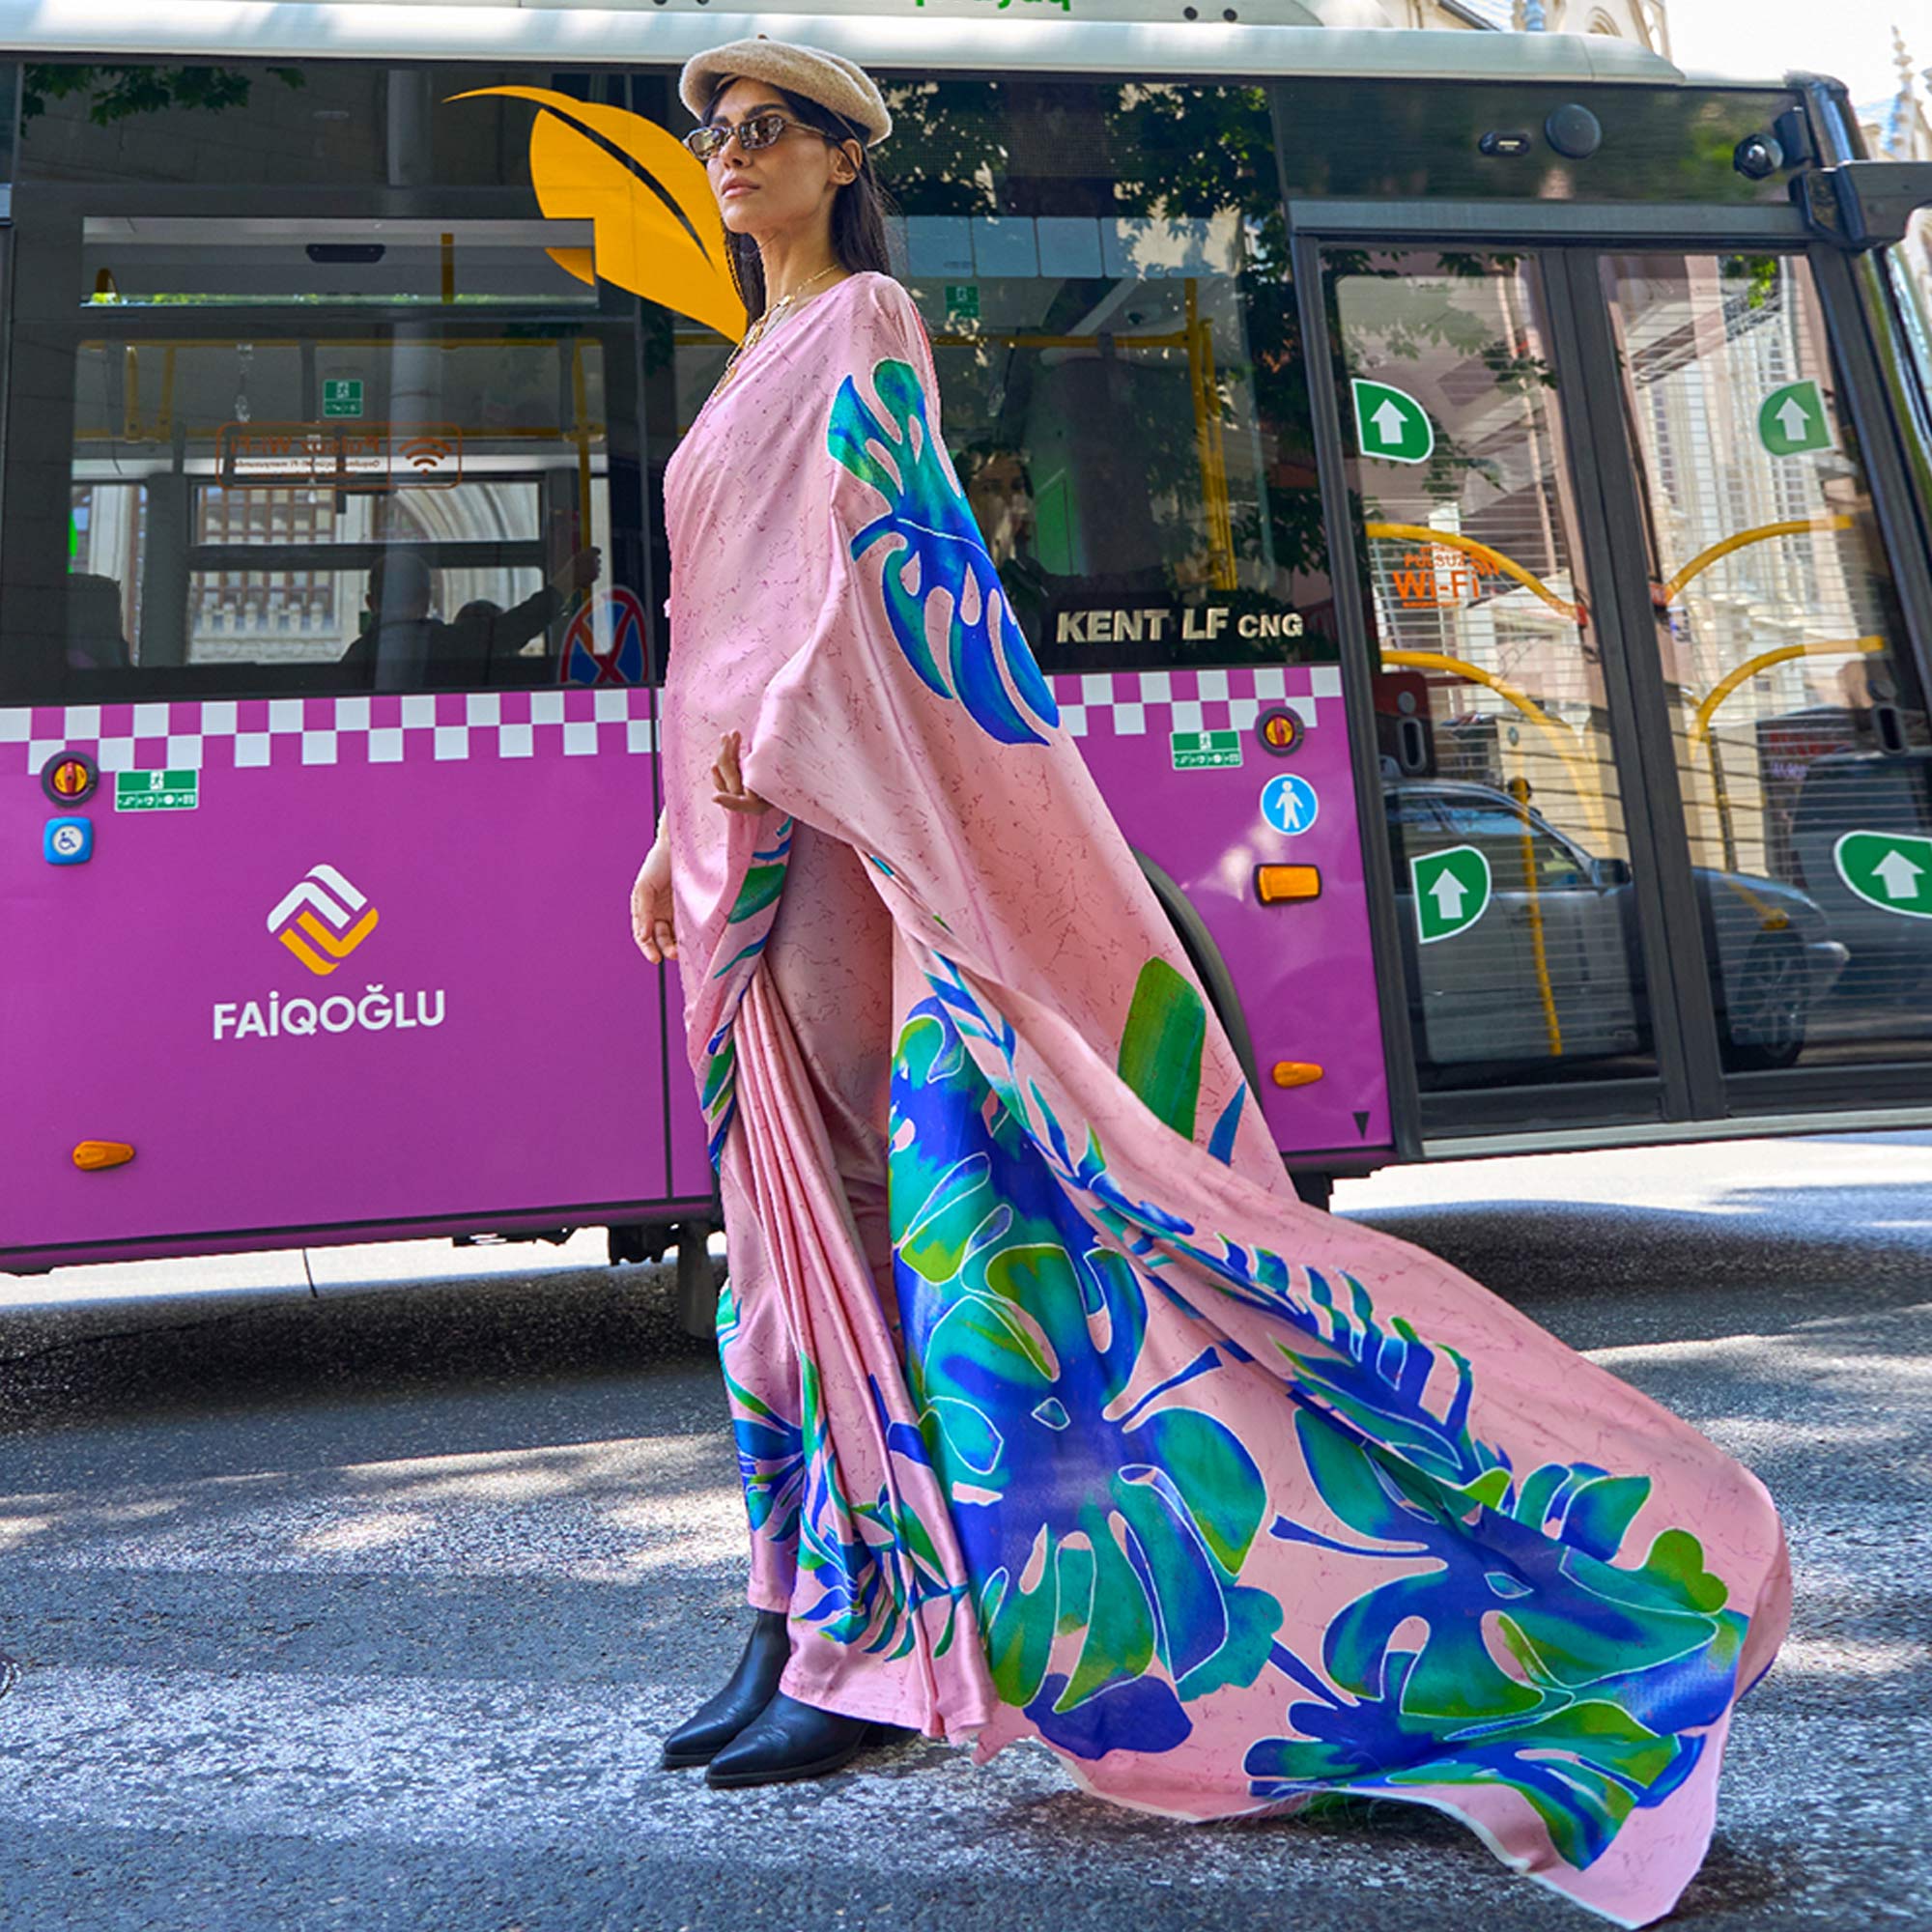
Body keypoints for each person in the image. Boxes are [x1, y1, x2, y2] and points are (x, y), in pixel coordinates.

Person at [627, 38, 1791, 1926]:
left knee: (861, 1235)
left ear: (843, 161)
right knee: (783, 1260)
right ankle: (797, 1628)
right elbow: (715, 625)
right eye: (713, 138)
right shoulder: (750, 355)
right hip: (747, 847)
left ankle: (863, 1655)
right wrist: (665, 822)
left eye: (761, 134)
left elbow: (879, 578)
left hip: (836, 828)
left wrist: (767, 746)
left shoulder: (865, 330)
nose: (726, 160)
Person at [340, 546, 600, 690]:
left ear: (370, 603)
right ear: (427, 599)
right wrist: (568, 581)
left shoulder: (356, 655)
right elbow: (514, 628)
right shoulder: (448, 644)